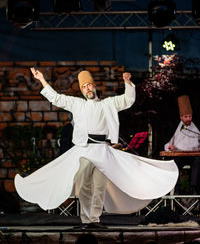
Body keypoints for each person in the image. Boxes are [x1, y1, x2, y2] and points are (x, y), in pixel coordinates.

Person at [14, 68, 178, 229]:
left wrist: (128, 83)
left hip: (102, 151)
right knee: (84, 185)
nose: (87, 88)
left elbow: (128, 100)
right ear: (82, 91)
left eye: (89, 85)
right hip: (84, 151)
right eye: (84, 87)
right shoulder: (77, 104)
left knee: (99, 187)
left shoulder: (108, 103)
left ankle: (94, 220)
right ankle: (86, 221)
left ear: (94, 86)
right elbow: (56, 98)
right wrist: (42, 79)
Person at [164, 95, 200, 194]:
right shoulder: (175, 127)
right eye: (186, 117)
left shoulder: (196, 128)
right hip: (179, 156)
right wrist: (170, 147)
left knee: (198, 161)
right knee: (174, 163)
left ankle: (194, 188)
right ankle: (177, 188)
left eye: (190, 116)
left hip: (193, 156)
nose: (188, 119)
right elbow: (167, 145)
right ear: (181, 117)